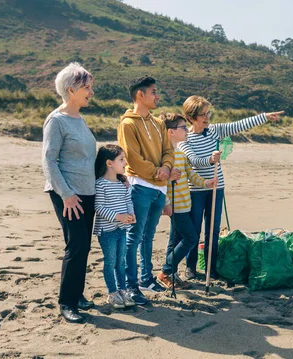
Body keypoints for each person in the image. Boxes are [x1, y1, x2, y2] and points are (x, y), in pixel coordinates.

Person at [179, 95, 284, 279]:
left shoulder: (214, 131)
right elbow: (194, 161)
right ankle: (190, 267)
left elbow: (239, 124)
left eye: (208, 113)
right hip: (196, 190)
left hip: (216, 188)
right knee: (194, 230)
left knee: (213, 228)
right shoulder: (184, 139)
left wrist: (264, 116)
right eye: (202, 114)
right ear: (190, 117)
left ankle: (211, 269)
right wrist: (210, 160)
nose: (207, 117)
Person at [42, 62, 97, 323]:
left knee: (84, 246)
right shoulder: (57, 120)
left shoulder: (79, 118)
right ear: (71, 89)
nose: (91, 92)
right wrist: (66, 194)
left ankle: (77, 294)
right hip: (67, 194)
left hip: (87, 192)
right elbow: (49, 160)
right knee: (76, 246)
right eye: (87, 87)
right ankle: (67, 302)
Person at [117, 76, 175, 304]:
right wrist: (157, 172)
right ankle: (131, 286)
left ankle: (146, 279)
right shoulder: (127, 124)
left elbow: (168, 151)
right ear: (140, 95)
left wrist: (167, 167)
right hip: (139, 187)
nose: (157, 96)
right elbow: (132, 158)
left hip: (159, 189)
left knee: (149, 236)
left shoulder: (158, 123)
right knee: (134, 237)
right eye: (153, 92)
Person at [158, 113, 217, 289]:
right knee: (191, 237)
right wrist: (166, 202)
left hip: (186, 205)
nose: (186, 130)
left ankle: (171, 274)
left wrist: (206, 182)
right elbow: (161, 183)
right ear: (170, 132)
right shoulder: (164, 156)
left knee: (174, 241)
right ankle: (166, 271)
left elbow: (190, 174)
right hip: (175, 206)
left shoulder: (181, 153)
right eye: (183, 128)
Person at [93, 144, 136, 309]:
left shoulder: (122, 183)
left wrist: (131, 215)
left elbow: (128, 201)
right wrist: (118, 217)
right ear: (109, 163)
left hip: (121, 229)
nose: (125, 162)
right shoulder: (101, 184)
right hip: (107, 231)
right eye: (121, 159)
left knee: (120, 261)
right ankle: (112, 293)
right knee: (110, 262)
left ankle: (123, 290)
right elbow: (99, 207)